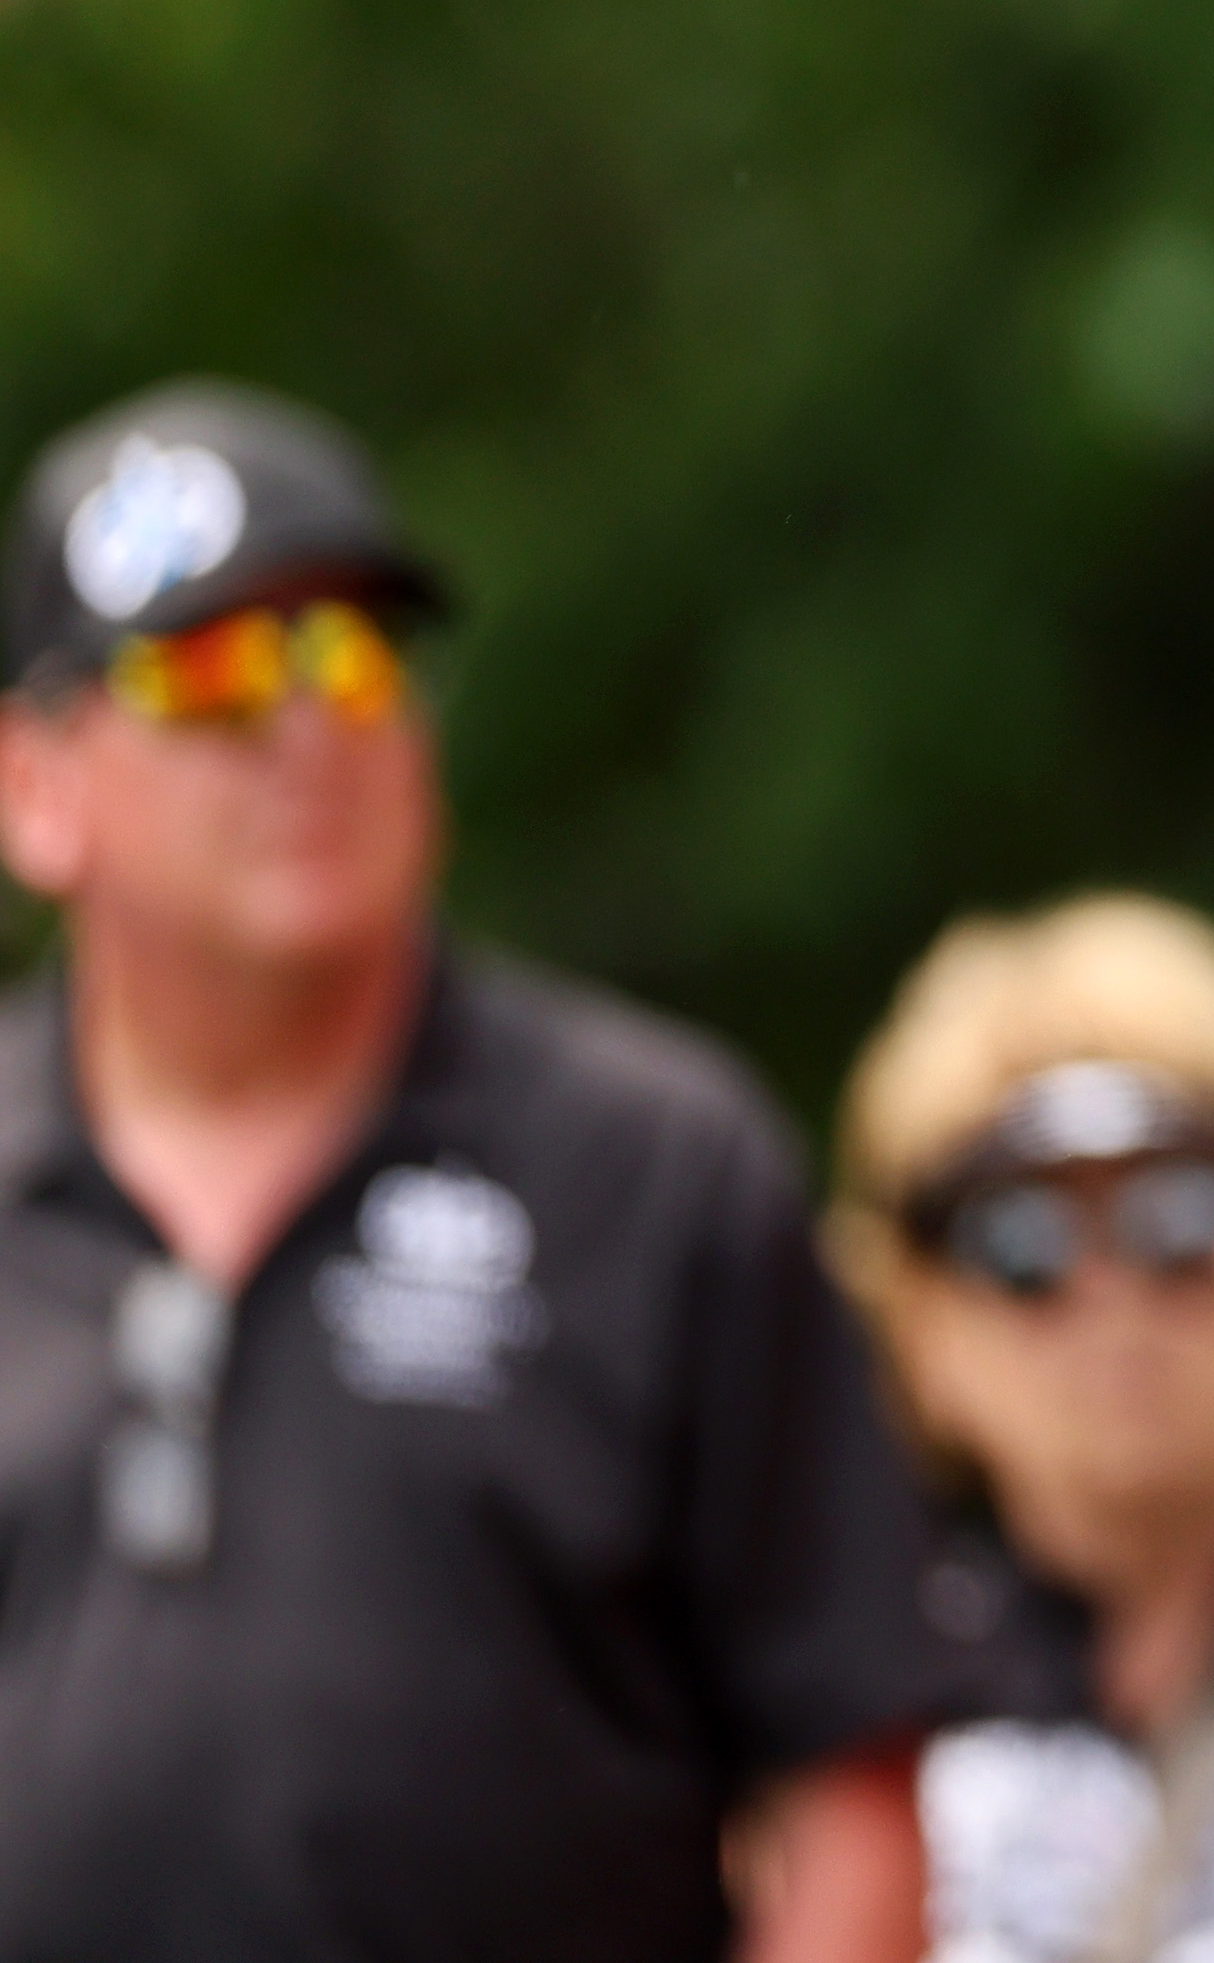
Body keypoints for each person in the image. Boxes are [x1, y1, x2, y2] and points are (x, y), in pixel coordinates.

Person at [0, 378, 961, 1962]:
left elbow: (847, 1790)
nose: (310, 728)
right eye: (219, 672)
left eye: (356, 656)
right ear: (38, 789)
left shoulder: (652, 1167)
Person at [827, 892, 1214, 1963]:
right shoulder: (854, 1700)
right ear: (919, 1326)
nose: (1113, 1299)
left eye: (1186, 1214)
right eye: (1019, 1245)